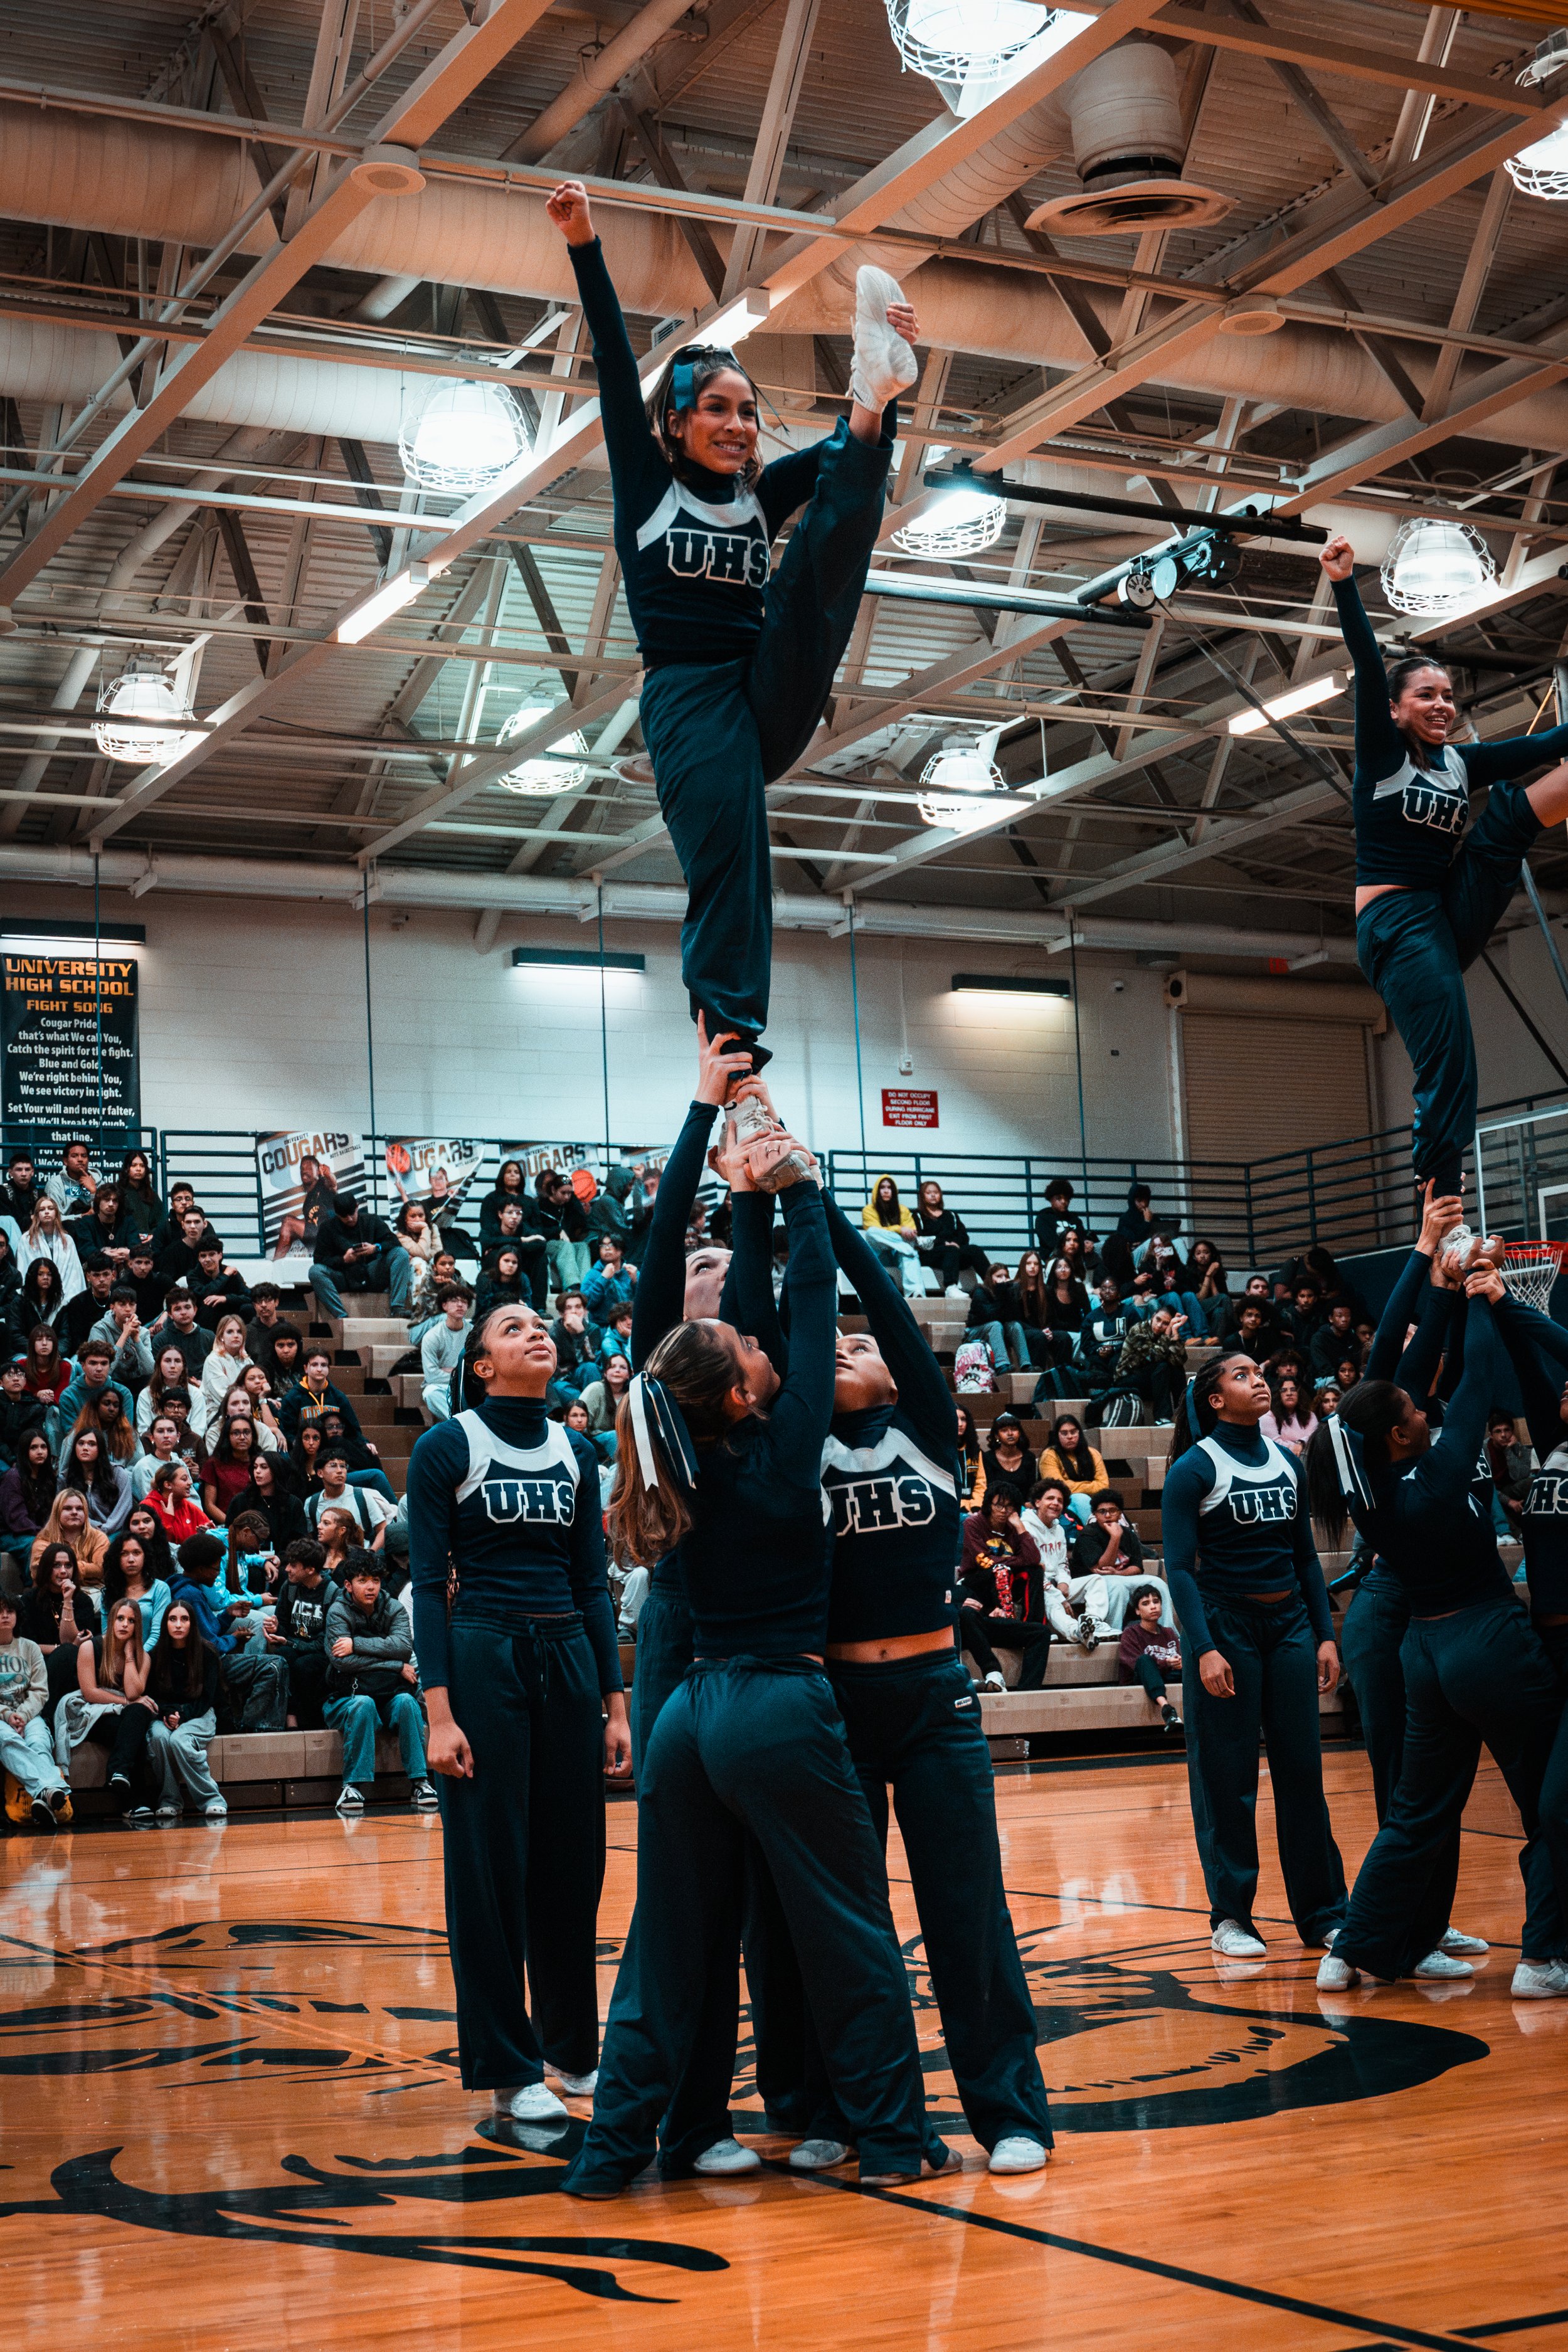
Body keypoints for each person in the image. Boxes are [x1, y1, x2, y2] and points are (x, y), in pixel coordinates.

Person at [566, 1093, 933, 2196]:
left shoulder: (673, 1453)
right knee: (850, 1931)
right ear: (737, 1388)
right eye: (742, 1341)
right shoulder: (781, 1453)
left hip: (689, 1714)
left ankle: (613, 2155)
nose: (760, 1336)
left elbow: (723, 1314)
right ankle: (898, 2140)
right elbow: (814, 1301)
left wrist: (740, 1191)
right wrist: (803, 1191)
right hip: (779, 1703)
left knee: (666, 1952)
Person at [547, 176, 916, 1065]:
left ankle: (872, 384)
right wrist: (584, 243)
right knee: (736, 864)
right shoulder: (649, 483)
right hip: (691, 706)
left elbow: (843, 477)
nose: (739, 425)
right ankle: (731, 1043)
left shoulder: (757, 496)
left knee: (829, 541)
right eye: (717, 408)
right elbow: (607, 350)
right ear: (674, 423)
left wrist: (881, 403)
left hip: (768, 676)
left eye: (749, 412)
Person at [778, 1172, 1052, 2175]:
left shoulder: (928, 1431)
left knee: (964, 1908)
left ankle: (1009, 2111)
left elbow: (885, 1306)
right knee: (848, 1923)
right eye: (836, 1345)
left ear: (896, 1375)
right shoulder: (797, 1442)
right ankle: (848, 2111)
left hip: (935, 1700)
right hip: (836, 1703)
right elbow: (791, 1328)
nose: (848, 1347)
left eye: (864, 1349)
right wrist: (781, 1204)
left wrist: (824, 1208)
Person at [1310, 1262, 1568, 1996]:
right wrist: (1486, 1306)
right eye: (1417, 1414)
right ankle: (1545, 1958)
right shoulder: (1435, 1476)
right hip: (1486, 1642)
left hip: (1423, 1652)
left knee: (1415, 1812)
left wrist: (1447, 1288)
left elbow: (1412, 1372)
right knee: (1548, 1803)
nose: (1430, 1411)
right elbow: (1480, 1382)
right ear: (1399, 1434)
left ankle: (1350, 1951)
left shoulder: (1369, 1482)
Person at [406, 1295, 629, 2125]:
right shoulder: (446, 1444)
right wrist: (438, 1712)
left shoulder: (578, 1449)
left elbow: (590, 1585)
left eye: (542, 1324)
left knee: (574, 1867)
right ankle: (508, 2065)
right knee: (491, 1871)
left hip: (569, 1653)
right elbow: (429, 1584)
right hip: (482, 1651)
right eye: (512, 1327)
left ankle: (575, 2052)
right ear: (482, 1363)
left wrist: (615, 1703)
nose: (536, 1331)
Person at [1323, 530, 1568, 1204]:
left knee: (1507, 822)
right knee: (1451, 1050)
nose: (1441, 705)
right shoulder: (1381, 755)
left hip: (1440, 910)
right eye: (1425, 695)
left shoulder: (1459, 761)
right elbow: (1369, 666)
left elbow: (1539, 742)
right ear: (1398, 710)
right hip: (1395, 924)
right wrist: (1346, 585)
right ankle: (1440, 1199)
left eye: (1448, 695)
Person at [1163, 1348, 1346, 1961]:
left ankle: (1324, 1912)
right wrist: (1205, 1648)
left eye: (1258, 1372)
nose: (1258, 1380)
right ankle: (1231, 1917)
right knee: (1227, 1778)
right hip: (1225, 1627)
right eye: (1241, 1375)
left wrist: (1324, 1633)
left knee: (1303, 1774)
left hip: (1289, 1624)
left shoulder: (1286, 1461)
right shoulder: (1194, 1468)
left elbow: (1303, 1559)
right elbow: (1180, 1573)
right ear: (1215, 1399)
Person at [324, 1549, 437, 1814]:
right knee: (363, 1705)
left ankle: (420, 1782)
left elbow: (402, 1647)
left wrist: (357, 1644)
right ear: (349, 1585)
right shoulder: (337, 1611)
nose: (371, 1586)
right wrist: (396, 1666)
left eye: (375, 1579)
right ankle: (352, 1787)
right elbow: (342, 1662)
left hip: (389, 1694)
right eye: (363, 1580)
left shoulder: (394, 1608)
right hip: (345, 1697)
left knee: (408, 1701)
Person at [169, 1530, 289, 1732]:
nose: (218, 1574)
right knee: (275, 1666)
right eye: (215, 1569)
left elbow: (209, 1630)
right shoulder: (191, 1595)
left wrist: (229, 1614)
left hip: (205, 1661)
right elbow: (210, 1645)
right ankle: (255, 1730)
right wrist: (234, 1639)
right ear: (200, 1569)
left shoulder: (183, 1585)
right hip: (203, 1668)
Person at [55, 1594, 155, 1818]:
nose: (125, 1625)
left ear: (138, 1626)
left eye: (131, 1621)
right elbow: (90, 1692)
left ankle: (119, 1773)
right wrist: (128, 1703)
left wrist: (130, 1656)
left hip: (121, 1716)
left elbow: (133, 1692)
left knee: (138, 1715)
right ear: (111, 1620)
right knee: (135, 1723)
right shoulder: (91, 1647)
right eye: (120, 1618)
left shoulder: (143, 1658)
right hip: (92, 1712)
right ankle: (135, 1801)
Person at [959, 1483, 1057, 1692]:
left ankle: (1027, 1692)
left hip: (1006, 1586)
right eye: (999, 1505)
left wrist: (1021, 1529)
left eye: (1010, 1507)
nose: (1004, 1511)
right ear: (989, 1505)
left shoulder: (1015, 1527)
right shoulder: (973, 1523)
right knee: (999, 1571)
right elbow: (983, 1561)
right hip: (977, 1584)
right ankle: (993, 1672)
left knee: (1040, 1631)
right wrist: (1014, 1561)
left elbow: (1034, 1560)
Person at [144, 1600, 226, 1820]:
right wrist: (167, 1714)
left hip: (200, 1712)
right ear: (165, 1624)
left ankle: (212, 1799)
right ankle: (169, 1799)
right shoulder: (154, 1654)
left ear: (192, 1624)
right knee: (160, 1738)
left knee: (179, 1740)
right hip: (165, 1715)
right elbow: (152, 1694)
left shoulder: (207, 1652)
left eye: (184, 1619)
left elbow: (210, 1696)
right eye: (173, 1619)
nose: (178, 1625)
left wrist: (183, 1716)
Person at [0, 1589, 70, 1826]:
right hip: (2, 1718)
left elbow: (40, 1691)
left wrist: (22, 1714)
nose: (5, 1616)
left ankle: (43, 1799)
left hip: (29, 1714)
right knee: (7, 1738)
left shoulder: (29, 1648)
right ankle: (53, 1789)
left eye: (9, 1611)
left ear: (17, 1615)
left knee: (39, 1741)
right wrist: (8, 1715)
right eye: (0, 1611)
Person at [19, 1541, 99, 1707]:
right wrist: (61, 1649)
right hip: (38, 1662)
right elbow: (26, 1644)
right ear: (47, 1568)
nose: (63, 1571)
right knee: (67, 1651)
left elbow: (75, 1644)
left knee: (69, 1654)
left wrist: (68, 1600)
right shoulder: (30, 1600)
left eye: (68, 1565)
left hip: (75, 1664)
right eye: (57, 1565)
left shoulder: (83, 1601)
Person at [265, 1537, 332, 1728]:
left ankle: (306, 1723)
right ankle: (287, 1718)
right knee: (282, 1659)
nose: (286, 1569)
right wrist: (275, 1628)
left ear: (310, 1570)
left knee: (304, 1666)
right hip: (294, 1646)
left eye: (293, 1566)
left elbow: (326, 1643)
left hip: (320, 1651)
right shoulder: (290, 1587)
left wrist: (289, 1642)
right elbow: (283, 1624)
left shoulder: (332, 1593)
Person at [310, 1197, 413, 1322]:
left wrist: (376, 1248)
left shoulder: (372, 1220)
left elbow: (394, 1242)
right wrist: (343, 1259)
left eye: (352, 1214)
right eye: (344, 1216)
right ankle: (342, 1317)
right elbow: (319, 1260)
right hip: (343, 1276)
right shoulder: (327, 1228)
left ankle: (397, 1308)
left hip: (371, 1273)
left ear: (357, 1207)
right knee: (315, 1271)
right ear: (337, 1215)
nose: (349, 1218)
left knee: (400, 1253)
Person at [1118, 1584, 1183, 1734]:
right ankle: (1167, 1710)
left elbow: (1179, 1656)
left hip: (1168, 1675)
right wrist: (1166, 1663)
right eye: (1146, 1604)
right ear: (1137, 1611)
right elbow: (1134, 1665)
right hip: (1142, 1678)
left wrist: (1180, 1662)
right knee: (1145, 1660)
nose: (1153, 1607)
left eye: (1156, 1601)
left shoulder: (1169, 1633)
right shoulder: (1131, 1633)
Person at [102, 1528, 171, 1653]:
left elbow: (157, 1634)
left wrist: (138, 1659)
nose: (131, 1559)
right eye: (124, 1554)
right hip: (116, 1659)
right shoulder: (109, 1591)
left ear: (145, 1557)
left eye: (136, 1553)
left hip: (150, 1658)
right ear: (117, 1558)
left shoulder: (160, 1589)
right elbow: (107, 1634)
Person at [913, 1180, 987, 1296]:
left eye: (936, 1192)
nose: (933, 1195)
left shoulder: (951, 1215)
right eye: (929, 1193)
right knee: (950, 1250)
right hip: (930, 1254)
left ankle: (993, 1283)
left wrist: (956, 1243)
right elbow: (919, 1239)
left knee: (974, 1249)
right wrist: (943, 1243)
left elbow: (963, 1235)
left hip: (953, 1252)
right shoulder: (917, 1216)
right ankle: (951, 1288)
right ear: (922, 1196)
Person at [304, 1447, 391, 1545]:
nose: (340, 1471)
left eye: (343, 1466)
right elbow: (310, 1539)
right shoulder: (311, 1503)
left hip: (362, 1555)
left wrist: (371, 1552)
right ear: (320, 1473)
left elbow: (382, 1529)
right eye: (333, 1466)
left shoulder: (362, 1496)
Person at [30, 1488, 109, 1585]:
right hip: (52, 1593)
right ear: (57, 1512)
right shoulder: (43, 1540)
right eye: (68, 1508)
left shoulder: (99, 1538)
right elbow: (40, 1572)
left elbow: (101, 1569)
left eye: (80, 1509)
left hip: (93, 1592)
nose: (74, 1512)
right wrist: (87, 1570)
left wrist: (59, 1566)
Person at [1, 1426, 56, 1562]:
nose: (40, 1452)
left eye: (43, 1447)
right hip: (10, 1534)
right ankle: (33, 1582)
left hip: (35, 1532)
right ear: (25, 1451)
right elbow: (17, 1518)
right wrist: (42, 1534)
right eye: (34, 1448)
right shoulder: (13, 1477)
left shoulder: (48, 1479)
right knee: (37, 1546)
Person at [1037, 1415, 1107, 1521]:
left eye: (1073, 1432)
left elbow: (1104, 1485)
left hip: (1095, 1500)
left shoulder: (1093, 1453)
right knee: (1081, 1499)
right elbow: (1058, 1488)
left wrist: (1071, 1484)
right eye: (1064, 1433)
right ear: (1057, 1435)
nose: (1070, 1437)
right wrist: (1091, 1486)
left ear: (1079, 1432)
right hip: (1061, 1502)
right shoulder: (1050, 1455)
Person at [967, 1263, 1030, 1375]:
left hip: (996, 1329)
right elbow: (989, 1315)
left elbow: (1013, 1316)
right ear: (991, 1278)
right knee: (995, 1324)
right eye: (999, 1276)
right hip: (975, 1331)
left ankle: (1026, 1364)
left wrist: (1009, 1295)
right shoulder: (980, 1292)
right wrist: (1002, 1293)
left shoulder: (1007, 1292)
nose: (1004, 1279)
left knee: (1015, 1325)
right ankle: (1002, 1365)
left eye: (1006, 1276)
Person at [18, 1197, 83, 1305]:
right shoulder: (26, 1240)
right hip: (35, 1298)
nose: (47, 1212)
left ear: (56, 1213)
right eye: (42, 1209)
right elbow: (23, 1269)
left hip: (65, 1297)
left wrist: (65, 1300)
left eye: (50, 1208)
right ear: (36, 1215)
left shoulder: (67, 1240)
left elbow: (75, 1274)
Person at [272, 1152, 337, 1260]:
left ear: (318, 1171)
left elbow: (333, 1184)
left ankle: (275, 1264)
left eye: (309, 1167)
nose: (304, 1170)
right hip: (317, 1243)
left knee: (288, 1222)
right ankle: (279, 1264)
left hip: (328, 1237)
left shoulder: (323, 1185)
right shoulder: (307, 1203)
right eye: (302, 1168)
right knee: (288, 1228)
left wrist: (328, 1174)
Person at [420, 1284, 471, 1422]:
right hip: (444, 1386)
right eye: (455, 1301)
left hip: (468, 1385)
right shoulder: (432, 1336)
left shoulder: (474, 1334)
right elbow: (432, 1376)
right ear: (444, 1306)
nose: (460, 1305)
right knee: (431, 1393)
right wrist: (459, 1374)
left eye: (464, 1302)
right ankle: (459, 1423)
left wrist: (453, 1372)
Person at [982, 1410, 1037, 1502]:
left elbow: (1032, 1489)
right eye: (1004, 1431)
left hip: (1024, 1507)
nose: (1010, 1433)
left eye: (1014, 1429)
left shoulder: (1029, 1457)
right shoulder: (988, 1458)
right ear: (997, 1436)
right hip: (997, 1506)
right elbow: (988, 1490)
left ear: (1019, 1433)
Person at [1261, 1370, 1318, 1456]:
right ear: (1278, 1394)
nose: (1289, 1393)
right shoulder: (1268, 1417)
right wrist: (1294, 1447)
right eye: (1284, 1390)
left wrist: (1301, 1443)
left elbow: (1314, 1436)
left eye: (1293, 1390)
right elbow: (1274, 1443)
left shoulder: (1310, 1415)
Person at [953, 1402, 985, 1512]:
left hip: (975, 1507)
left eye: (963, 1419)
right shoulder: (942, 1451)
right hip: (953, 1506)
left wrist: (976, 1506)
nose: (960, 1424)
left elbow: (981, 1484)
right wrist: (962, 1506)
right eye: (955, 1419)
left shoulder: (976, 1451)